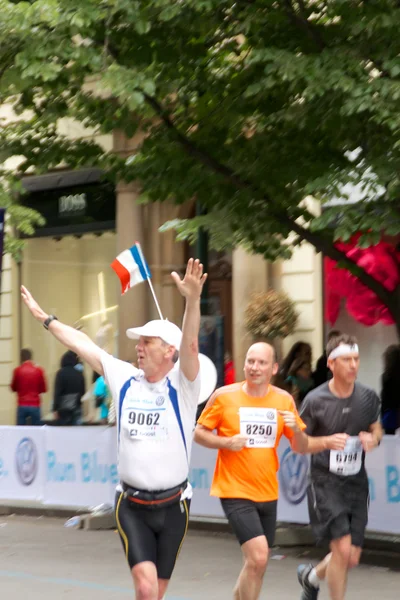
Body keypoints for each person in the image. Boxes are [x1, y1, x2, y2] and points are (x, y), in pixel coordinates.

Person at [21, 257, 206, 600]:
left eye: (147, 342)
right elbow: (82, 344)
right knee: (146, 587)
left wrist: (192, 300)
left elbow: (192, 343)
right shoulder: (123, 378)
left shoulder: (184, 387)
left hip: (174, 507)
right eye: (139, 342)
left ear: (169, 352)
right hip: (132, 505)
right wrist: (45, 319)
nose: (138, 347)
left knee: (155, 592)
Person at [194, 342, 307, 600]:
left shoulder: (283, 400)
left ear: (274, 368)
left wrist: (297, 430)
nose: (254, 367)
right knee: (257, 556)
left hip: (267, 491)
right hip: (234, 489)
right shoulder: (224, 396)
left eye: (262, 363)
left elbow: (300, 447)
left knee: (258, 563)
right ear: (244, 364)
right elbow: (199, 433)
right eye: (250, 361)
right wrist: (225, 442)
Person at [295, 333, 382, 600]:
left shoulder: (368, 397)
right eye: (346, 360)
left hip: (356, 483)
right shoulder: (315, 400)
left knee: (350, 557)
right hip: (326, 483)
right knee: (342, 551)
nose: (353, 365)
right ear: (331, 364)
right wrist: (325, 442)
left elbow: (377, 428)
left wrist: (373, 439)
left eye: (356, 359)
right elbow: (299, 444)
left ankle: (311, 577)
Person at [10, 348, 47, 426]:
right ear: (31, 357)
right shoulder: (39, 370)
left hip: (22, 404)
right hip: (35, 404)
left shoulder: (17, 370)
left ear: (21, 358)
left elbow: (13, 388)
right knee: (37, 430)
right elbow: (43, 389)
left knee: (20, 431)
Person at [53, 350, 86, 426]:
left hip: (63, 409)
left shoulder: (60, 373)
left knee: (64, 433)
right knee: (76, 432)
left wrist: (55, 408)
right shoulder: (79, 373)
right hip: (77, 406)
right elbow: (83, 391)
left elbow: (57, 392)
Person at [380, 344, 400, 435]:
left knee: (390, 441)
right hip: (395, 412)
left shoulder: (386, 376)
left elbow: (385, 399)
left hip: (390, 414)